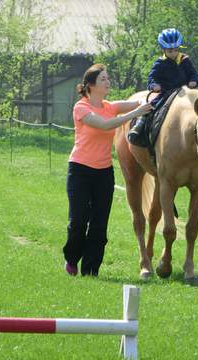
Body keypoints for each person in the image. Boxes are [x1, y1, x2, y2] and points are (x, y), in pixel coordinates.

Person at [63, 63, 152, 276]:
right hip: (80, 170)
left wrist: (153, 96)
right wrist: (135, 113)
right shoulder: (81, 107)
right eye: (103, 79)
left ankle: (91, 270)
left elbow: (138, 101)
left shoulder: (110, 106)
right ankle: (72, 259)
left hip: (104, 173)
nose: (108, 82)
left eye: (107, 78)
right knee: (78, 221)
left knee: (99, 224)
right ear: (90, 85)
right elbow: (104, 125)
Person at [127, 28, 198, 146]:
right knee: (152, 105)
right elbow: (152, 77)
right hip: (167, 92)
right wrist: (154, 85)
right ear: (163, 49)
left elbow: (193, 73)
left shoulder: (185, 60)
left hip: (186, 91)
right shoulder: (160, 63)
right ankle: (140, 124)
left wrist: (193, 80)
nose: (174, 53)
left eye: (176, 50)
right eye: (170, 51)